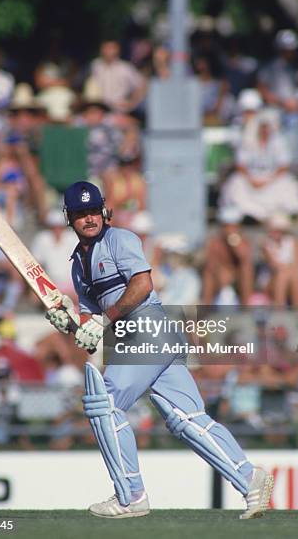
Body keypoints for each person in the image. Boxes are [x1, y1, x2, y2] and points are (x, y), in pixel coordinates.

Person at [45, 180, 274, 519]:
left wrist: (102, 320)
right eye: (81, 213)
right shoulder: (78, 263)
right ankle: (250, 478)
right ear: (69, 217)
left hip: (148, 328)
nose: (89, 218)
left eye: (94, 210)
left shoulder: (120, 239)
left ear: (104, 210)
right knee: (185, 418)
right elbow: (90, 318)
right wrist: (69, 321)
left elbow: (142, 284)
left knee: (103, 404)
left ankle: (130, 496)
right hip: (139, 336)